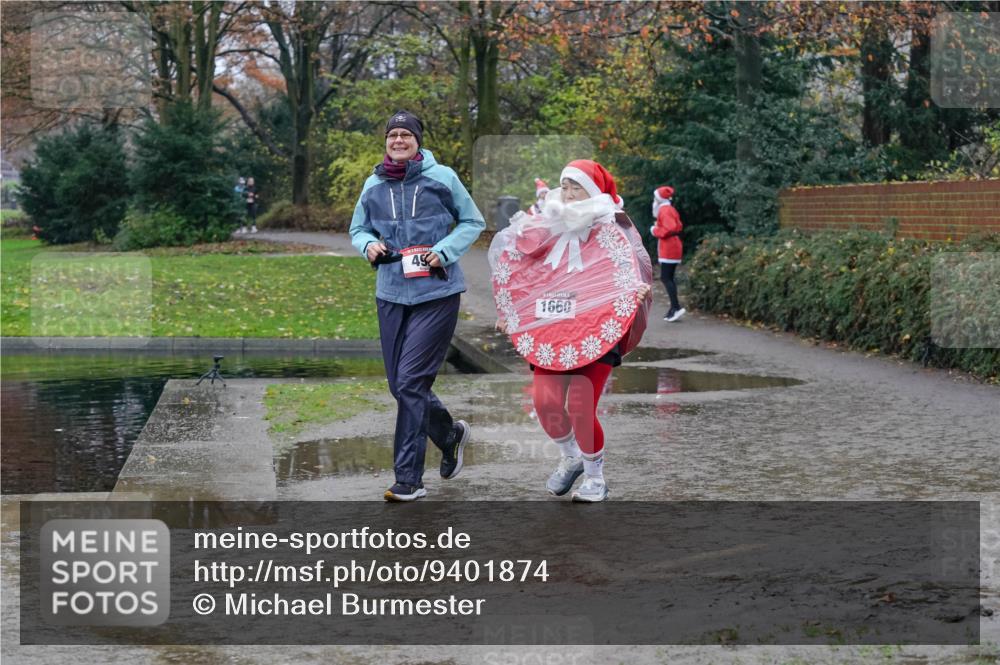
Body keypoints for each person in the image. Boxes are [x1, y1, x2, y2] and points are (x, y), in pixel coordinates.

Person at [491, 160, 652, 502]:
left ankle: (595, 477)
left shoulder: (614, 230)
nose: (566, 193)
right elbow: (523, 275)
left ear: (593, 192)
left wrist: (637, 291)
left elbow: (632, 271)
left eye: (575, 186)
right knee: (545, 403)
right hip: (552, 332)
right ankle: (571, 457)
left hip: (599, 330)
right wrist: (511, 312)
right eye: (563, 185)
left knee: (580, 407)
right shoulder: (543, 229)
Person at [349, 110, 486, 502]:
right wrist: (367, 245)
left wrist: (443, 251)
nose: (398, 140)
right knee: (400, 385)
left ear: (417, 141)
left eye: (405, 135)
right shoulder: (373, 184)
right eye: (392, 134)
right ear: (386, 141)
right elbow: (358, 228)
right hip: (390, 292)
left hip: (436, 293)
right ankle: (449, 434)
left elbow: (472, 222)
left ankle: (408, 479)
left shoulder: (442, 178)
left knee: (410, 382)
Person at [651, 185, 685, 321]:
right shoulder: (669, 209)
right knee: (668, 278)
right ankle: (674, 307)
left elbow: (669, 228)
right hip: (672, 245)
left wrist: (655, 230)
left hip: (669, 247)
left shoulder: (664, 210)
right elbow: (678, 225)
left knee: (666, 278)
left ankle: (676, 307)